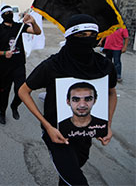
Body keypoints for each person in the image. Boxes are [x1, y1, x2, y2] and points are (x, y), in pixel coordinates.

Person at [18, 14, 117, 185]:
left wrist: (107, 126)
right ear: (70, 37)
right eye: (80, 35)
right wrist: (47, 127)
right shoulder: (53, 65)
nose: (87, 40)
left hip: (86, 135)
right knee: (76, 181)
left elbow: (112, 93)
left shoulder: (103, 65)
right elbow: (23, 91)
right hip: (57, 135)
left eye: (91, 35)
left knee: (69, 176)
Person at [0, 5, 41, 124]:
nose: (9, 14)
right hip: (4, 68)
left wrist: (33, 22)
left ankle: (14, 106)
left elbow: (37, 32)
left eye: (10, 12)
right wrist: (4, 53)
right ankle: (2, 112)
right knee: (4, 93)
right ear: (2, 15)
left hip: (18, 65)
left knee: (23, 91)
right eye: (6, 12)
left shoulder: (19, 26)